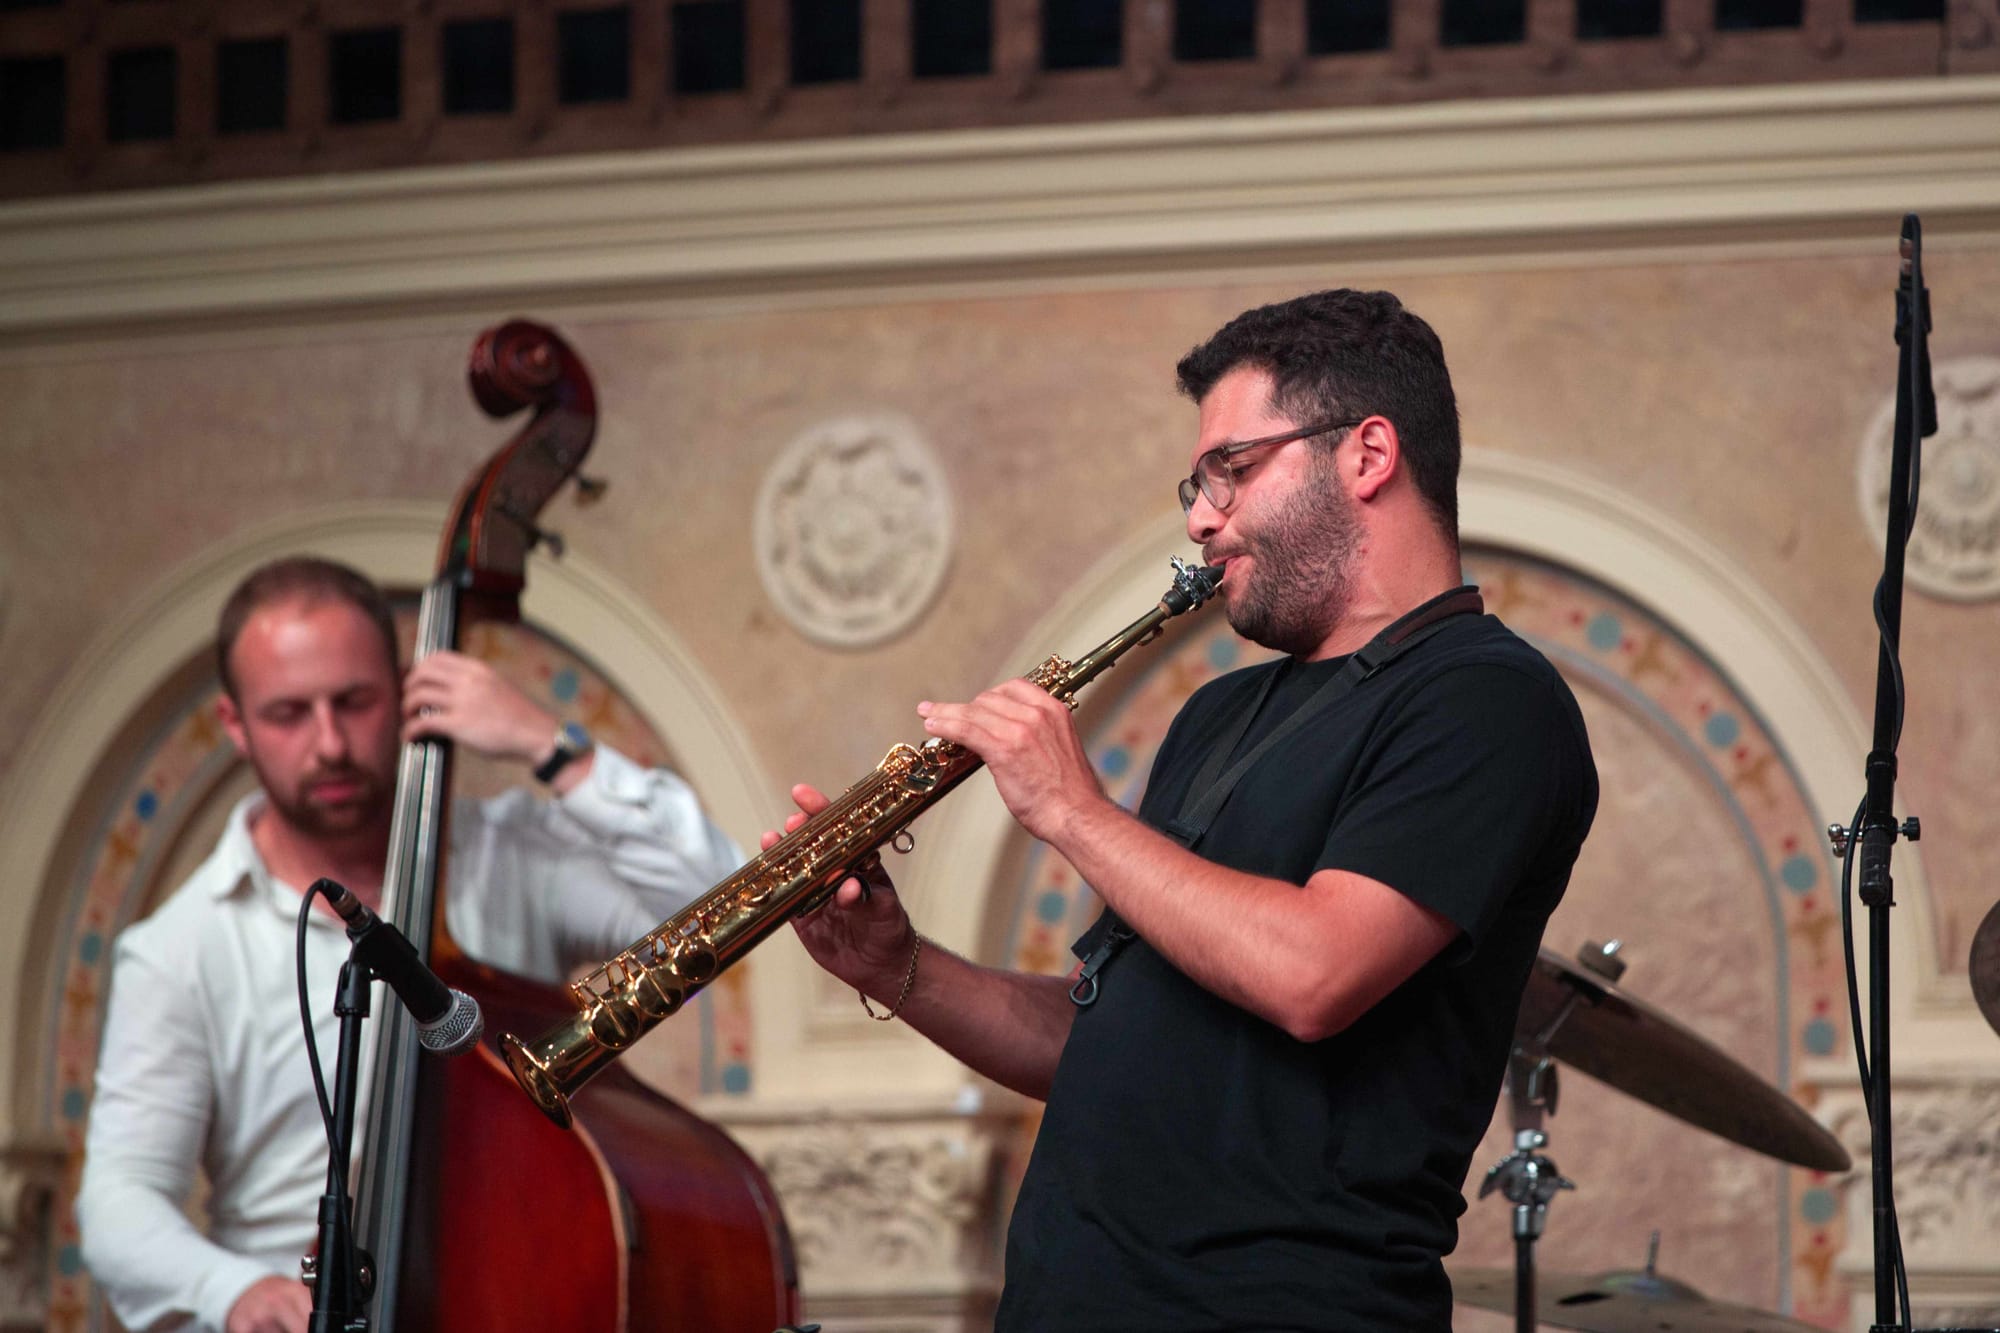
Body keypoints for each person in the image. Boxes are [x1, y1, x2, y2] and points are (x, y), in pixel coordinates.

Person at [780, 289, 1599, 1331]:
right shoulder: (1219, 715)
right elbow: (1103, 1038)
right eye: (1198, 483)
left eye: (1233, 469)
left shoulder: (1485, 698)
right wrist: (893, 965)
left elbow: (1315, 973)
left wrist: (1073, 810)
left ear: (1367, 455)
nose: (1200, 517)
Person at [77, 557, 740, 1333]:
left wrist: (551, 745)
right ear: (234, 723)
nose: (329, 743)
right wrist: (237, 1290)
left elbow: (724, 903)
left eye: (354, 701)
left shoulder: (510, 856)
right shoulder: (179, 947)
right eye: (289, 713)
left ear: (403, 691)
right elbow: (119, 1200)